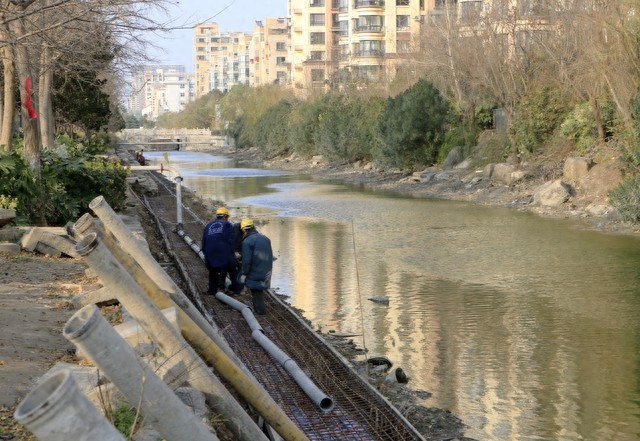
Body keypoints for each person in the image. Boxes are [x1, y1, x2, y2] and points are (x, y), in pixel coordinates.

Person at [201, 207, 241, 295]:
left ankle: (212, 291)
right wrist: (234, 253)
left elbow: (204, 241)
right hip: (223, 255)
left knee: (212, 272)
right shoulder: (227, 225)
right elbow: (231, 240)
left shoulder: (208, 225)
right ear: (225, 216)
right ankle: (236, 290)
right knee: (233, 270)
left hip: (209, 255)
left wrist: (206, 254)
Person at [239, 218, 273, 315]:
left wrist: (244, 273)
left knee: (256, 292)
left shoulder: (247, 241)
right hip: (266, 270)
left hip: (255, 271)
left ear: (244, 229)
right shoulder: (265, 238)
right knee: (259, 291)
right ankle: (259, 310)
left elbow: (247, 261)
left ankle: (259, 313)